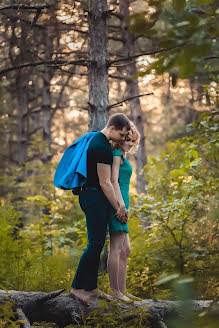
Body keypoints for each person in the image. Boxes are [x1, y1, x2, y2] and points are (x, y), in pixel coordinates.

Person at [70, 113, 131, 305]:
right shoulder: (102, 146)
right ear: (112, 128)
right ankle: (78, 288)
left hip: (93, 196)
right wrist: (118, 208)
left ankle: (91, 287)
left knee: (97, 243)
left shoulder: (96, 139)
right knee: (94, 243)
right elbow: (106, 183)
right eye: (122, 135)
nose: (123, 139)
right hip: (94, 196)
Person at [107, 121, 141, 302]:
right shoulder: (117, 155)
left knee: (125, 249)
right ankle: (115, 292)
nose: (130, 143)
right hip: (118, 207)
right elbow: (113, 181)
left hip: (123, 206)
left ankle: (123, 290)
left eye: (132, 141)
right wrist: (119, 206)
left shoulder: (123, 157)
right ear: (120, 139)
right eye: (127, 139)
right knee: (116, 248)